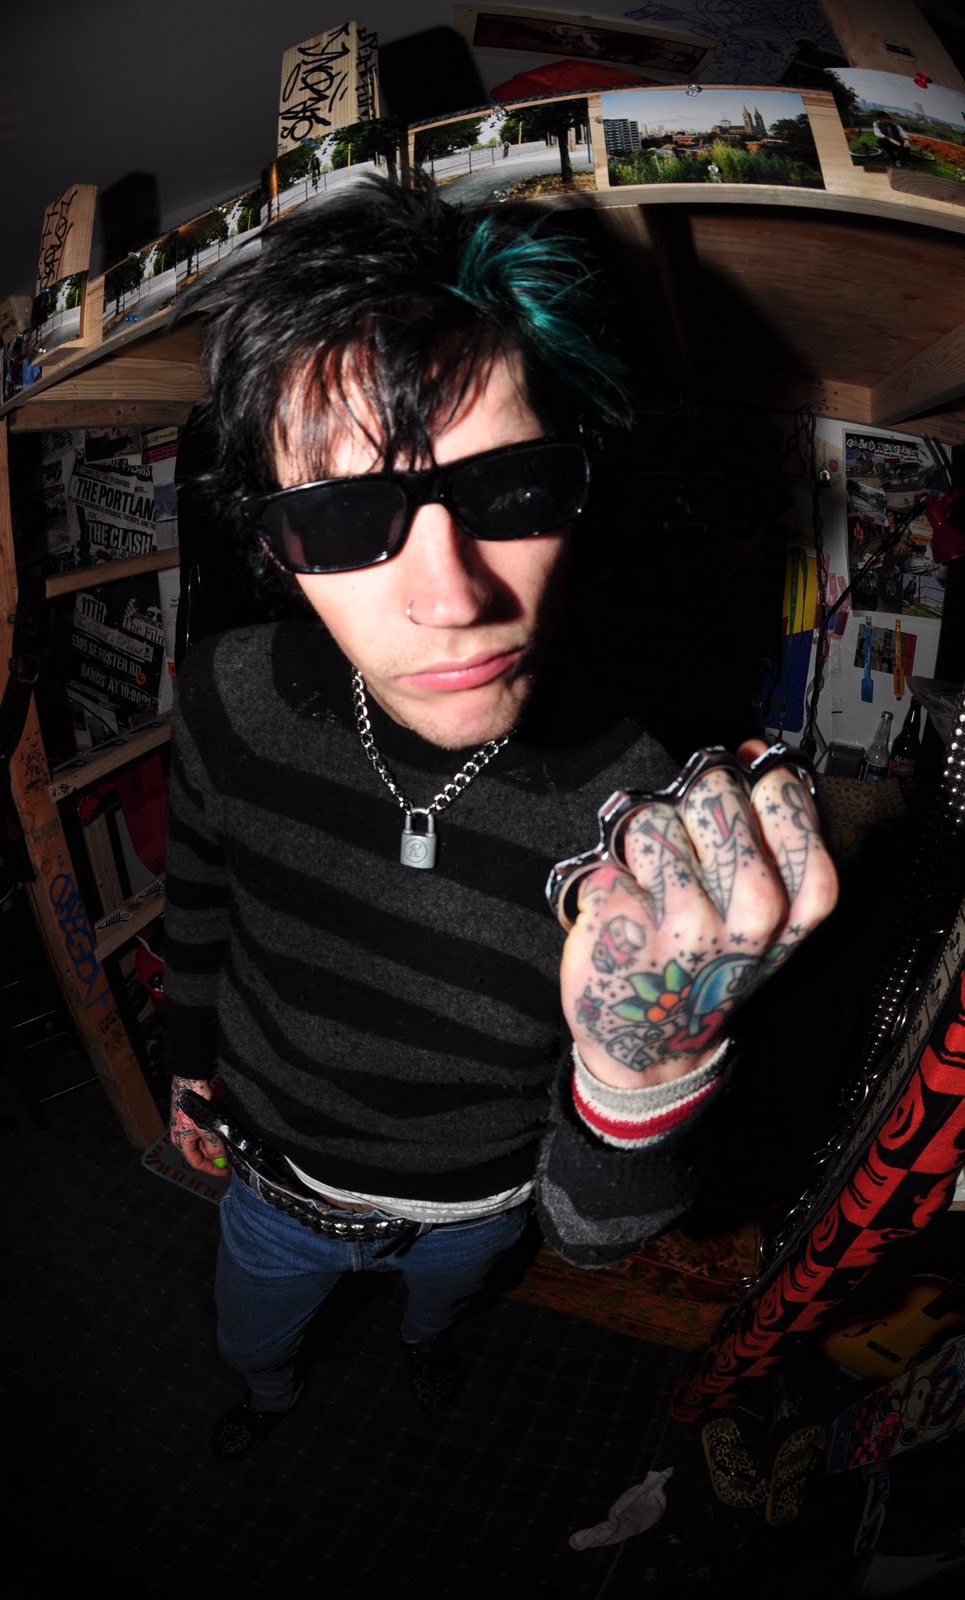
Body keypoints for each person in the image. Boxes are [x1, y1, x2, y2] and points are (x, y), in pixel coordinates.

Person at [164, 176, 838, 1460]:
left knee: (444, 1310)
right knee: (253, 1337)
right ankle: (267, 1400)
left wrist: (649, 1067)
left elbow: (594, 1236)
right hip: (270, 1186)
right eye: (342, 517)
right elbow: (198, 893)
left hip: (477, 1215)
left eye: (513, 490)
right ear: (269, 547)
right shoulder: (229, 699)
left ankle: (428, 1347)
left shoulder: (638, 802)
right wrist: (184, 1062)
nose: (452, 596)